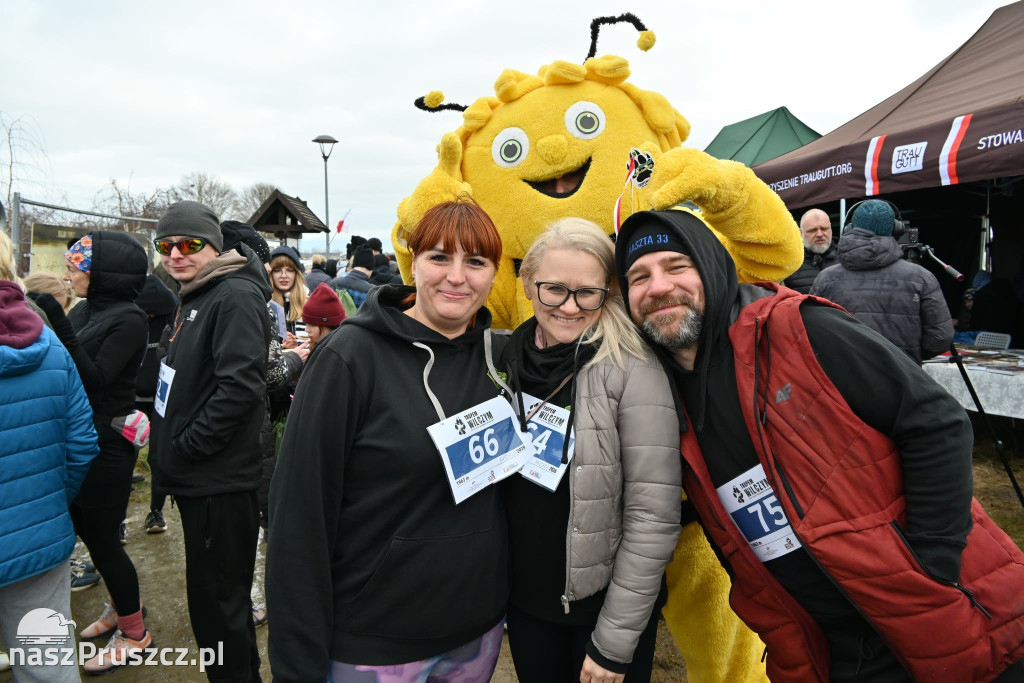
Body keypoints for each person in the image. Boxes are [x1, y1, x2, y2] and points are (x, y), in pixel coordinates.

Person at [615, 207, 1024, 683]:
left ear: (709, 264)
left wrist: (932, 565)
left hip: (946, 618)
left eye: (676, 266)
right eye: (638, 276)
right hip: (827, 650)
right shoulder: (662, 397)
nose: (658, 286)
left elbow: (935, 421)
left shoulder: (797, 329)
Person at [267, 200, 508, 682]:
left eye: (475, 262)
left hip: (476, 635)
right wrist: (297, 663)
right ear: (412, 261)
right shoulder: (349, 358)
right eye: (439, 257)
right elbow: (299, 517)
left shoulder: (502, 357)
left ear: (494, 274)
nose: (457, 277)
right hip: (375, 644)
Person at [498, 218, 681, 682]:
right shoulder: (501, 360)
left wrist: (614, 644)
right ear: (527, 284)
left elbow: (653, 516)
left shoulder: (633, 370)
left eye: (588, 292)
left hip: (601, 615)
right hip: (524, 605)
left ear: (608, 291)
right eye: (554, 289)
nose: (569, 307)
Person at [150, 200, 270, 682]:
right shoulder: (196, 292)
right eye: (166, 246)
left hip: (218, 481)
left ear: (215, 246)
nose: (176, 254)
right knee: (218, 610)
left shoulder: (233, 295)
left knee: (218, 613)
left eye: (190, 244)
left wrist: (184, 446)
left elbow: (240, 387)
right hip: (199, 478)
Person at [28, 231, 153, 673]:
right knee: (85, 530)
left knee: (104, 541)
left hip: (107, 445)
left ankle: (135, 633)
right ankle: (124, 605)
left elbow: (95, 380)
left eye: (77, 267)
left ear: (104, 275)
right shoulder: (87, 310)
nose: (70, 274)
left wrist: (56, 320)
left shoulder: (129, 318)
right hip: (79, 439)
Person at [0, 278, 99, 683]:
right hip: (39, 541)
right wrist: (46, 504)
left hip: (38, 535)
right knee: (48, 666)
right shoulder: (49, 345)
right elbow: (81, 443)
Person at [810, 200, 954, 363]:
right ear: (896, 229)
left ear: (850, 229)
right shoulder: (921, 277)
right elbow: (941, 338)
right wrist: (909, 357)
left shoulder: (825, 279)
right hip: (902, 380)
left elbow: (811, 333)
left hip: (841, 381)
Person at [132, 274, 179, 535]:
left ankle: (156, 510)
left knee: (157, 455)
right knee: (127, 453)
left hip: (161, 398)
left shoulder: (173, 318)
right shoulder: (130, 318)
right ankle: (119, 521)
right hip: (134, 398)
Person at [782, 208, 837, 294]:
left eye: (824, 229)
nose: (820, 234)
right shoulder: (788, 263)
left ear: (830, 229)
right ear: (801, 233)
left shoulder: (845, 258)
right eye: (812, 230)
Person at [268, 245, 308, 344]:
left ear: (296, 273)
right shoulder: (262, 304)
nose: (284, 276)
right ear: (271, 273)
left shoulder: (310, 304)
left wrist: (295, 345)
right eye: (277, 270)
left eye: (289, 270)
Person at [302, 283, 347, 349]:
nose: (306, 329)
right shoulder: (318, 344)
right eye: (306, 323)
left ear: (328, 324)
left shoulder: (340, 351)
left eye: (312, 324)